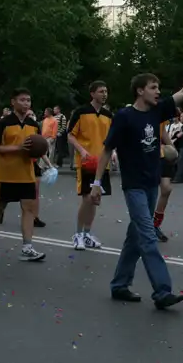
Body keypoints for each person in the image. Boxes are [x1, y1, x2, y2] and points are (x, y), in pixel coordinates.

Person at [92, 57, 183, 309]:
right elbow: (107, 150)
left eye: (158, 87)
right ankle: (162, 291)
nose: (158, 91)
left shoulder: (158, 110)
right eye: (153, 87)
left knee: (135, 236)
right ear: (140, 91)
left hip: (151, 184)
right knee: (148, 236)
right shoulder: (125, 117)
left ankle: (119, 284)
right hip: (134, 185)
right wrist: (97, 182)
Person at [0, 88, 47, 261]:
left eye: (28, 100)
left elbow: (38, 148)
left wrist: (41, 156)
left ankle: (27, 247)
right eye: (22, 100)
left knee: (28, 209)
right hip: (6, 173)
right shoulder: (3, 123)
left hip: (26, 173)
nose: (26, 103)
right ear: (13, 102)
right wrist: (17, 148)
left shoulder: (34, 125)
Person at [67, 81, 113, 250]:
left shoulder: (108, 115)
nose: (104, 94)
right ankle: (78, 234)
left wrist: (113, 151)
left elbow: (112, 138)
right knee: (87, 198)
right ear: (92, 94)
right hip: (86, 162)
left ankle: (87, 234)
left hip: (102, 163)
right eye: (101, 91)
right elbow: (70, 135)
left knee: (94, 199)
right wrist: (82, 150)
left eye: (106, 91)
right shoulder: (81, 112)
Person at [153, 121, 175, 242]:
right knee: (148, 192)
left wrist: (172, 147)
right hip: (148, 155)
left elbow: (162, 131)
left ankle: (155, 224)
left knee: (166, 189)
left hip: (162, 155)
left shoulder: (160, 116)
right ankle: (145, 225)